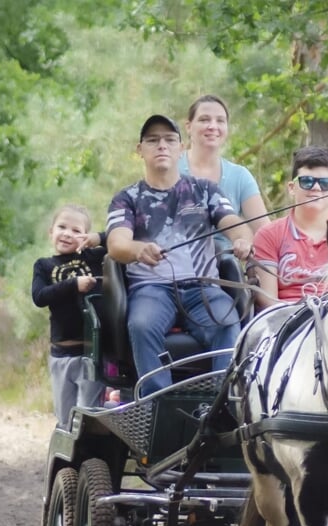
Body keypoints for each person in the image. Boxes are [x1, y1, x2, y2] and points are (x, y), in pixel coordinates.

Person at [106, 114, 254, 395]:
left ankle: (221, 404)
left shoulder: (204, 190)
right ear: (140, 150)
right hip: (150, 289)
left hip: (203, 289)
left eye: (169, 140)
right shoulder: (126, 198)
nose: (161, 145)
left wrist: (242, 240)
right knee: (141, 325)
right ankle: (158, 405)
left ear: (180, 147)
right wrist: (139, 249)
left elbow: (231, 222)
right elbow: (116, 244)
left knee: (228, 320)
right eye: (152, 140)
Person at [251, 145, 328, 308]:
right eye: (306, 181)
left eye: (325, 183)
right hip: (283, 323)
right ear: (292, 188)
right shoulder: (268, 235)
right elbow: (266, 299)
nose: (316, 188)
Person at [31, 204, 108, 426]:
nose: (67, 233)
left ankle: (89, 459)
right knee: (65, 418)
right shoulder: (44, 266)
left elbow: (115, 240)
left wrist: (98, 237)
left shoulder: (93, 258)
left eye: (76, 230)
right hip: (61, 354)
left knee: (88, 418)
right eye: (62, 227)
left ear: (85, 236)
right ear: (51, 231)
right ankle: (66, 459)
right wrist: (73, 284)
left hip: (91, 354)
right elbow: (39, 297)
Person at [177, 94, 270, 249]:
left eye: (220, 121)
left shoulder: (240, 176)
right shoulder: (170, 168)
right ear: (188, 126)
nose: (213, 126)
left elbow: (264, 231)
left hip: (225, 267)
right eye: (204, 119)